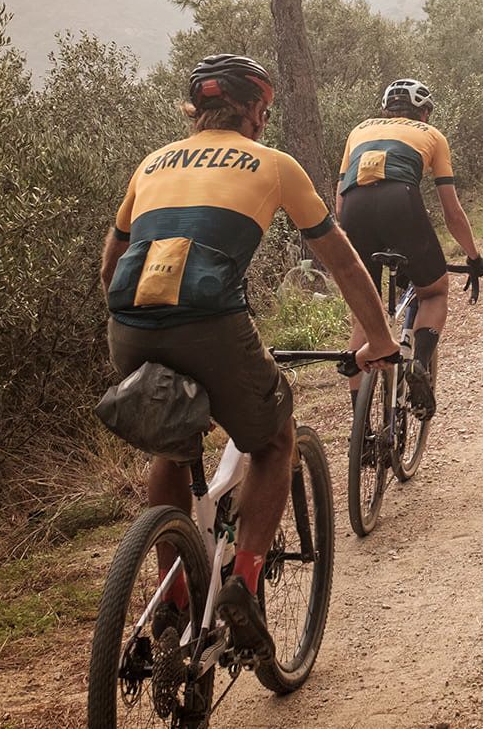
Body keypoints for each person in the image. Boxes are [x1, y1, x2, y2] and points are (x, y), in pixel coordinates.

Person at [102, 55, 400, 659]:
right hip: (211, 322)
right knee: (273, 442)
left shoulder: (152, 162)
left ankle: (173, 603)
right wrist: (382, 339)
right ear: (257, 110)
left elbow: (110, 266)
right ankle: (244, 579)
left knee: (171, 443)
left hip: (127, 322)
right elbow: (341, 260)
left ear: (196, 108)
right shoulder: (275, 165)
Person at [335, 78, 483, 418]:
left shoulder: (359, 130)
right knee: (433, 292)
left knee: (366, 309)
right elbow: (451, 210)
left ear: (386, 111)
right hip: (400, 202)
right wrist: (474, 256)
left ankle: (362, 429)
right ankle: (419, 363)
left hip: (354, 208)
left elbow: (340, 202)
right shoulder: (432, 136)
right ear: (425, 113)